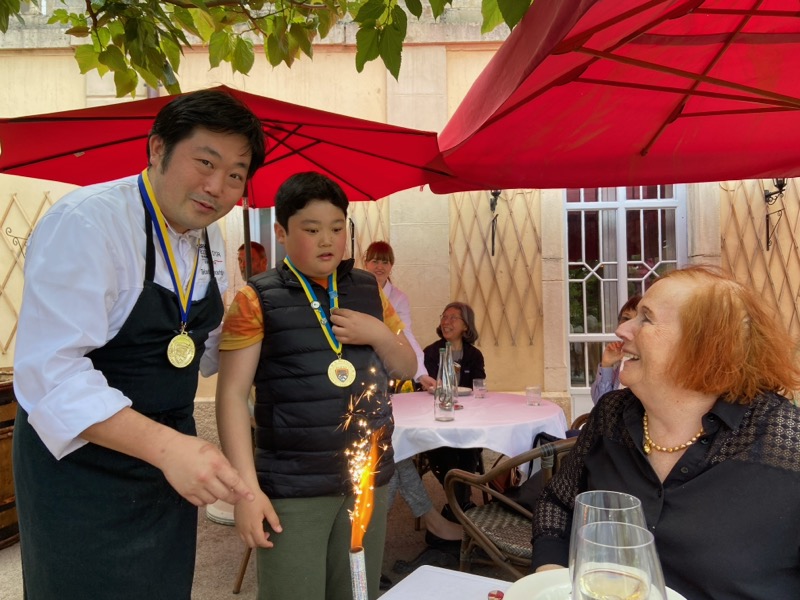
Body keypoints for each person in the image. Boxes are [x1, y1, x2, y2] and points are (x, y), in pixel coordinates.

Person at [12, 89, 266, 599]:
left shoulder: (210, 238)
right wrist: (169, 449)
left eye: (236, 175)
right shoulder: (86, 223)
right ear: (157, 148)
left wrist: (267, 323)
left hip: (168, 468)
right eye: (205, 162)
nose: (217, 187)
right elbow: (50, 376)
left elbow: (201, 346)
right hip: (84, 470)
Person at [532, 266, 800, 599]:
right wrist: (550, 577)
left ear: (706, 347)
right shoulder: (611, 416)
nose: (621, 329)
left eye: (646, 318)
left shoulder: (787, 448)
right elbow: (558, 503)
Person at [215, 172, 417, 600]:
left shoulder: (368, 289)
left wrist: (379, 334)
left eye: (337, 228)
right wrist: (245, 492)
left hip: (367, 480)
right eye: (311, 230)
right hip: (294, 485)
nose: (327, 240)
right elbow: (231, 396)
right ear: (282, 233)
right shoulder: (255, 299)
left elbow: (407, 366)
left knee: (356, 592)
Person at [363, 241, 462, 547]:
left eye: (385, 262)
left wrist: (420, 374)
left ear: (391, 266)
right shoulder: (354, 290)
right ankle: (422, 520)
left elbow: (405, 336)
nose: (379, 266)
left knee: (393, 447)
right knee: (392, 448)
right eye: (374, 261)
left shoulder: (398, 298)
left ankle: (372, 527)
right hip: (357, 379)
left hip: (386, 379)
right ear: (365, 263)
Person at [422, 302, 486, 512]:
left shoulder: (474, 355)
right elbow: (423, 386)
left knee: (469, 446)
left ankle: (456, 505)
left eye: (452, 318)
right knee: (444, 448)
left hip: (467, 417)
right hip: (437, 417)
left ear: (466, 326)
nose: (446, 322)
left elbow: (479, 386)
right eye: (444, 316)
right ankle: (462, 504)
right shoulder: (431, 352)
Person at [589, 294, 641, 404]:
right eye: (626, 319)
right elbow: (602, 404)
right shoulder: (624, 361)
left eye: (640, 320)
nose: (622, 330)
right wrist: (607, 365)